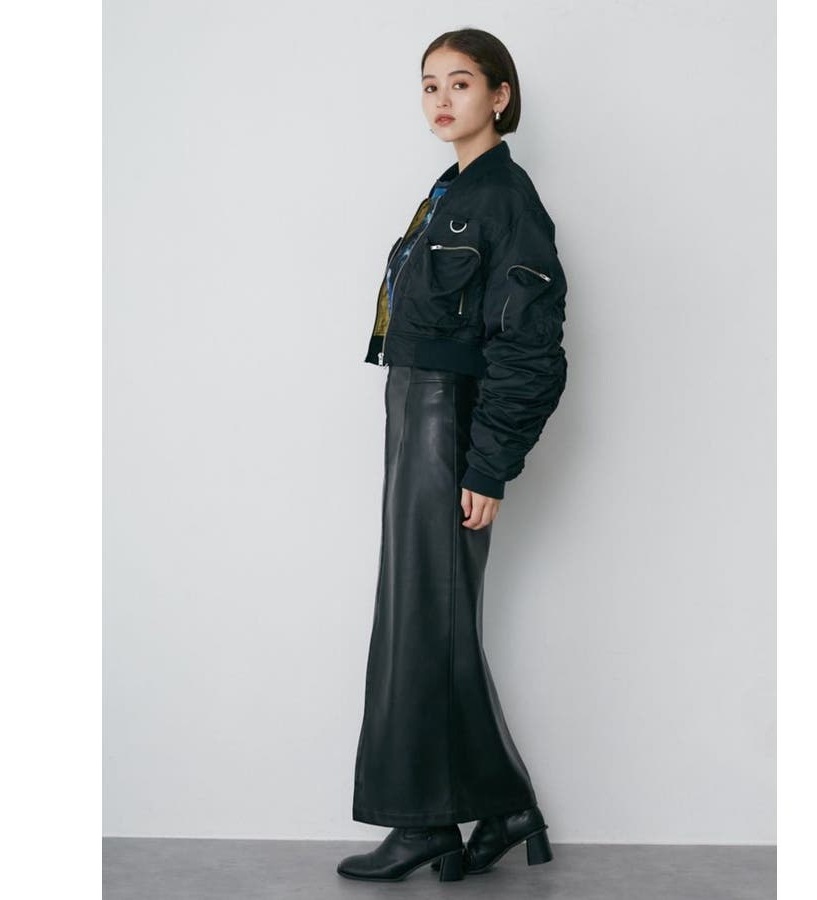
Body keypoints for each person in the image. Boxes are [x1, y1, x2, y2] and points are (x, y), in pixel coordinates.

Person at [338, 28, 567, 883]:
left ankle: (430, 819)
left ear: (500, 97)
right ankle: (496, 808)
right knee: (423, 618)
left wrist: (487, 464)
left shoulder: (505, 199)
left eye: (461, 83)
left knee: (424, 621)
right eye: (429, 84)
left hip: (449, 423)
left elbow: (531, 348)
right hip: (416, 415)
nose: (441, 99)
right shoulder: (449, 193)